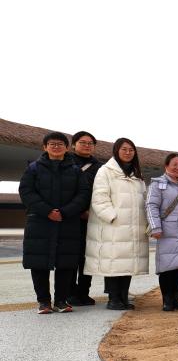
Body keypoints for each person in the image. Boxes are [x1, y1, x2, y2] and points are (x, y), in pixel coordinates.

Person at [19, 132, 90, 314]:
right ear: (45, 147)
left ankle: (61, 301)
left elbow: (83, 194)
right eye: (52, 144)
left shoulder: (76, 170)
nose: (56, 147)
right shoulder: (33, 168)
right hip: (40, 222)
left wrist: (65, 212)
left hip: (68, 221)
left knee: (66, 263)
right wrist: (47, 211)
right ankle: (44, 302)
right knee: (39, 263)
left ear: (67, 148)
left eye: (60, 144)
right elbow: (26, 192)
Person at [85, 138, 149, 310]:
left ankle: (123, 297)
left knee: (128, 263)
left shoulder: (137, 175)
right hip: (113, 226)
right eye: (124, 149)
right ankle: (113, 299)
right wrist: (112, 217)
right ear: (116, 151)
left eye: (131, 150)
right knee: (113, 263)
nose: (128, 152)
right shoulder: (105, 171)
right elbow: (99, 198)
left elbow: (144, 199)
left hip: (133, 226)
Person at [146, 153, 178, 311]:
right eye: (175, 164)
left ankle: (176, 299)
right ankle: (167, 301)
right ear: (166, 166)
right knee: (168, 267)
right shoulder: (157, 184)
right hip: (167, 231)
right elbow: (151, 206)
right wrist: (155, 227)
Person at [67, 131, 102, 306]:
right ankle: (70, 292)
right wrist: (75, 209)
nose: (87, 145)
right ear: (74, 144)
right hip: (69, 217)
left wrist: (91, 210)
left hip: (91, 217)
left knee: (88, 257)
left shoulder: (100, 167)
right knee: (70, 256)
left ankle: (84, 292)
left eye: (90, 143)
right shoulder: (65, 162)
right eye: (83, 142)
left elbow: (102, 192)